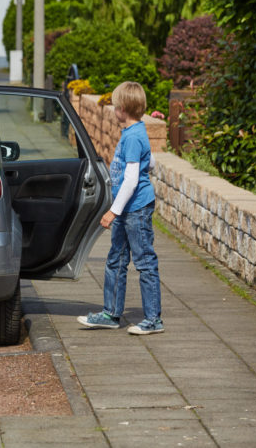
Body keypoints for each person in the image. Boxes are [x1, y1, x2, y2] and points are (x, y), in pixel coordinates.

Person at [77, 81, 164, 335]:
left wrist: (113, 210)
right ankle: (111, 314)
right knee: (116, 259)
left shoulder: (134, 137)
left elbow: (132, 179)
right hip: (128, 208)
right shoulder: (135, 132)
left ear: (123, 109)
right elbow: (152, 162)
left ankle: (153, 319)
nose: (114, 111)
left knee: (144, 261)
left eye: (115, 106)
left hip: (135, 209)